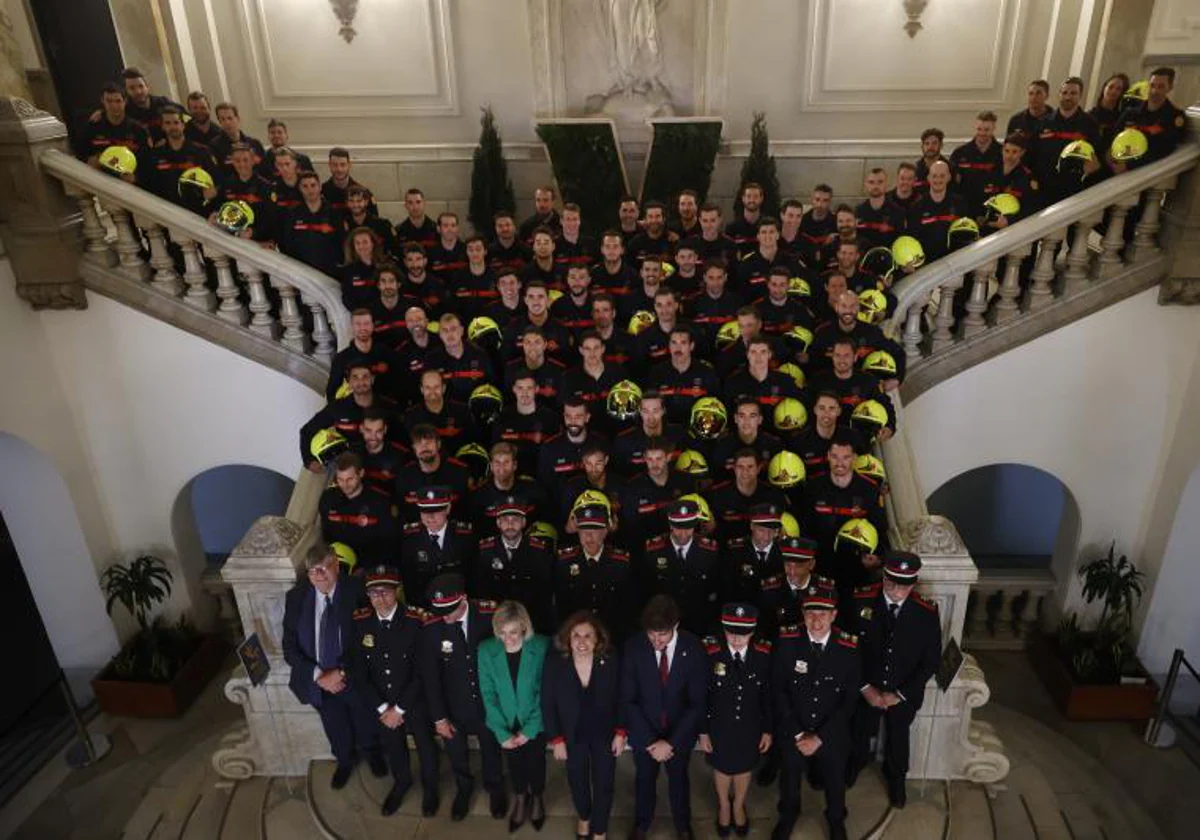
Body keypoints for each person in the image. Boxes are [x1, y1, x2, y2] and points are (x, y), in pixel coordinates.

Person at [282, 543, 384, 789]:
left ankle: (373, 753)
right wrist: (319, 675)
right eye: (313, 571)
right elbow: (289, 645)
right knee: (333, 723)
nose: (319, 575)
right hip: (318, 680)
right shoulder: (296, 597)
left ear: (336, 566)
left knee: (364, 719)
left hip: (352, 673)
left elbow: (370, 636)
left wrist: (341, 672)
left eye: (324, 568)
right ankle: (345, 760)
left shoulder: (357, 590)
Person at [849, 552, 942, 808]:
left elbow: (930, 661)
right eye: (891, 581)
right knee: (859, 731)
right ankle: (855, 764)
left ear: (913, 584)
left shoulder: (927, 612)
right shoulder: (861, 600)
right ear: (884, 577)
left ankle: (896, 778)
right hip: (866, 687)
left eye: (903, 584)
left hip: (903, 691)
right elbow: (848, 649)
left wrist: (899, 695)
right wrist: (865, 688)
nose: (896, 589)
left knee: (899, 737)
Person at [771, 583, 861, 840]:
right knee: (789, 779)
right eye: (811, 613)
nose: (816, 620)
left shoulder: (849, 647)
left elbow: (849, 700)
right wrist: (799, 734)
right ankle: (788, 815)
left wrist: (820, 737)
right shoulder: (787, 641)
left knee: (835, 781)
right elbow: (778, 690)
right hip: (794, 728)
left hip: (831, 731)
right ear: (803, 613)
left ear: (834, 615)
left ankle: (835, 820)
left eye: (823, 613)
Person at [351, 565, 441, 816]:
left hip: (413, 699)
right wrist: (383, 708)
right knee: (393, 745)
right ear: (368, 596)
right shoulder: (360, 622)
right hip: (381, 700)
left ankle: (430, 787)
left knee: (425, 744)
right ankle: (401, 782)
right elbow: (359, 671)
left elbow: (423, 671)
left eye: (386, 592)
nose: (380, 598)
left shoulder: (415, 621)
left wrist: (399, 708)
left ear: (397, 592)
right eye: (374, 593)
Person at [417, 573, 507, 820]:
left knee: (491, 749)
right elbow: (431, 678)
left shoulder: (491, 616)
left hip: (488, 704)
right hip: (453, 706)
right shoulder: (433, 627)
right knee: (456, 752)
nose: (445, 616)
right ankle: (464, 789)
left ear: (464, 599)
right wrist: (439, 718)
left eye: (450, 610)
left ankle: (495, 787)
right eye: (440, 611)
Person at [621, 594, 708, 840]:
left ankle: (683, 825)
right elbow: (628, 698)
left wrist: (671, 742)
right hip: (644, 732)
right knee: (644, 780)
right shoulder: (634, 647)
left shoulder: (693, 648)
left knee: (679, 780)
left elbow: (696, 702)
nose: (656, 641)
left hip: (678, 733)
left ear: (676, 626)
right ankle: (642, 824)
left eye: (662, 635)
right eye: (651, 634)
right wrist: (650, 741)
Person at [542, 611, 623, 840]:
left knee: (604, 782)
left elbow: (622, 696)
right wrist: (556, 739)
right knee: (577, 780)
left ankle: (599, 829)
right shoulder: (555, 663)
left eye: (588, 635)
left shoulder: (611, 658)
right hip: (572, 735)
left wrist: (621, 732)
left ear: (598, 639)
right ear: (568, 637)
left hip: (604, 734)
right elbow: (547, 702)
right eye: (576, 635)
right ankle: (584, 817)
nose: (581, 641)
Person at [699, 604, 774, 837]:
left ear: (752, 632)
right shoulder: (711, 652)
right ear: (723, 630)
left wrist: (767, 730)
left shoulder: (763, 654)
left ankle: (738, 804)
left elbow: (768, 696)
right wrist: (703, 731)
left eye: (743, 634)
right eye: (731, 633)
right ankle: (724, 805)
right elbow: (701, 695)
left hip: (751, 724)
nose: (737, 639)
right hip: (719, 724)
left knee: (744, 767)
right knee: (721, 767)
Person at [477, 601, 551, 832]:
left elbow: (545, 692)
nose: (507, 638)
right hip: (505, 723)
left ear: (524, 628)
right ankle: (521, 798)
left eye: (513, 632)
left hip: (535, 721)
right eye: (502, 632)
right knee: (515, 763)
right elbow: (488, 694)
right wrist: (502, 732)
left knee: (536, 762)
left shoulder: (541, 646)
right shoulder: (486, 649)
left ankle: (537, 797)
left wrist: (529, 730)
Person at [638, 499, 721, 635]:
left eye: (688, 528)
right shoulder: (653, 550)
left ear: (695, 525)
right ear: (670, 524)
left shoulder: (709, 551)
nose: (683, 534)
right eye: (678, 528)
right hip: (663, 623)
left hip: (700, 623)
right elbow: (645, 590)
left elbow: (715, 589)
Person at [474, 497, 556, 633]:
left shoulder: (539, 550)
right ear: (498, 522)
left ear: (524, 522)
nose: (510, 525)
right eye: (505, 520)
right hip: (496, 620)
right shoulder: (485, 551)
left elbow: (545, 592)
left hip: (531, 620)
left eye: (515, 520)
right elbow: (480, 590)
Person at [554, 503, 634, 642]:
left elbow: (628, 608)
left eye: (594, 530)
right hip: (576, 637)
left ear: (604, 531)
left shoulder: (621, 562)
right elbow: (560, 606)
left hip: (612, 636)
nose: (588, 536)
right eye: (584, 530)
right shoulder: (564, 561)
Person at [319, 451, 398, 568]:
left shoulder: (380, 503)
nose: (345, 485)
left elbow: (388, 545)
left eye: (350, 479)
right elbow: (326, 536)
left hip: (370, 566)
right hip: (338, 563)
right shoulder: (328, 498)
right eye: (340, 479)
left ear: (361, 473)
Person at [399, 486, 476, 606]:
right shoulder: (410, 538)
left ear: (448, 508)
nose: (430, 517)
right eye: (425, 511)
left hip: (458, 604)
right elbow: (409, 580)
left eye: (436, 511)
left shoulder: (464, 537)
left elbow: (472, 576)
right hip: (424, 606)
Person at [1034, 77, 1101, 205]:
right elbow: (1032, 154)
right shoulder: (1043, 123)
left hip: (1075, 190)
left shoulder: (1089, 124)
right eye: (1064, 93)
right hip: (1045, 189)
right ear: (1059, 95)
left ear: (1080, 95)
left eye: (1073, 93)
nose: (1068, 97)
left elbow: (1096, 157)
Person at [139, 106, 218, 214]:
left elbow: (217, 182)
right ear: (162, 126)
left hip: (199, 214)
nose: (173, 127)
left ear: (183, 125)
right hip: (168, 215)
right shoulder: (155, 155)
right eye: (168, 123)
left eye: (176, 122)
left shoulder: (202, 152)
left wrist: (212, 192)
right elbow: (150, 187)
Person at [1111, 67, 1188, 171]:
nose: (1155, 91)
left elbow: (1164, 150)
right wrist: (1111, 159)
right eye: (1152, 85)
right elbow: (1113, 137)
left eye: (1161, 87)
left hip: (1147, 174)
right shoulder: (1130, 113)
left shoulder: (1174, 117)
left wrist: (1129, 166)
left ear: (1170, 88)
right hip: (1117, 168)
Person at [326, 308, 402, 402]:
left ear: (372, 326)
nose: (362, 328)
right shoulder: (342, 358)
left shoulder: (385, 352)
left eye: (366, 323)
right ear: (352, 327)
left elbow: (400, 380)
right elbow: (331, 393)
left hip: (385, 408)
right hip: (356, 410)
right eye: (358, 324)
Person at [76, 83, 151, 172]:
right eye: (109, 101)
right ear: (102, 101)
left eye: (118, 101)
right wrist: (89, 161)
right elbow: (79, 155)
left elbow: (147, 163)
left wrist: (136, 178)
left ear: (125, 101)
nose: (114, 106)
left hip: (128, 181)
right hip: (99, 179)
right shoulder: (92, 127)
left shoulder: (138, 130)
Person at [279, 171, 342, 275]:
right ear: (300, 189)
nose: (310, 190)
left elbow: (341, 242)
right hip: (301, 273)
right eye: (305, 186)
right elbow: (287, 243)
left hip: (329, 273)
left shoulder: (333, 213)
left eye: (313, 185)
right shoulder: (293, 213)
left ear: (320, 187)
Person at [907, 160, 968, 264]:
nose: (938, 180)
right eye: (934, 176)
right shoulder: (916, 207)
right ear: (928, 178)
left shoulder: (960, 204)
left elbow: (966, 235)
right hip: (925, 267)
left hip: (954, 265)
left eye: (942, 176)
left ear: (948, 177)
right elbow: (912, 240)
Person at [949, 111, 1003, 216]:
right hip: (965, 211)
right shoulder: (959, 153)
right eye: (979, 129)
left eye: (986, 130)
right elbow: (951, 185)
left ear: (994, 129)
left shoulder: (1003, 152)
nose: (982, 133)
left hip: (993, 211)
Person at [118, 66, 183, 144]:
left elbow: (186, 117)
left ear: (147, 87)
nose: (138, 91)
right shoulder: (126, 112)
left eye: (141, 86)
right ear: (126, 91)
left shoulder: (163, 103)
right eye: (132, 88)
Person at [855, 169, 906, 251]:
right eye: (871, 182)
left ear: (886, 184)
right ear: (866, 184)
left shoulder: (898, 213)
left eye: (880, 182)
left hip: (888, 260)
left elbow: (901, 244)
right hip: (863, 261)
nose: (875, 186)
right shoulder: (858, 212)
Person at [210, 102, 266, 175]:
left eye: (230, 118)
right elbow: (216, 175)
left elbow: (265, 170)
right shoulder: (214, 147)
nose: (227, 122)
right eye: (222, 119)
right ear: (219, 122)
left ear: (238, 118)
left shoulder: (255, 144)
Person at [322, 147, 372, 214]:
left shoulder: (364, 193)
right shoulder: (321, 193)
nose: (339, 169)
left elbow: (373, 221)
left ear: (349, 165)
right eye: (335, 165)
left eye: (343, 164)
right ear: (329, 165)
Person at [1006, 79, 1055, 145]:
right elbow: (1008, 146)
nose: (1033, 97)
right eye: (1031, 93)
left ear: (1046, 96)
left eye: (1038, 93)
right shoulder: (1016, 120)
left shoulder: (1056, 120)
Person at [725, 183, 766, 261]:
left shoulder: (768, 225)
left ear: (761, 198)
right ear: (743, 198)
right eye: (748, 196)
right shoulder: (732, 228)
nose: (752, 200)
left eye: (755, 196)